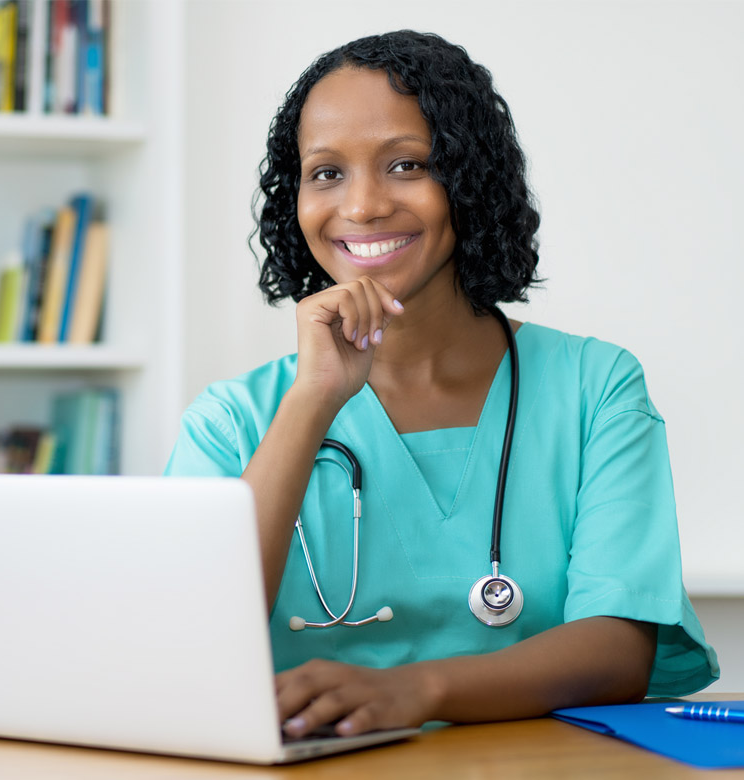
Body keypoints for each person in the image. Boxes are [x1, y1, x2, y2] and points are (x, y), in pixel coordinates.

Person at [165, 30, 718, 738]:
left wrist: (414, 690)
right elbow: (186, 640)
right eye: (326, 173)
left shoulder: (594, 388)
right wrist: (312, 401)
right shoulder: (233, 421)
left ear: (468, 177)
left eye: (406, 165)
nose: (361, 206)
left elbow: (618, 651)